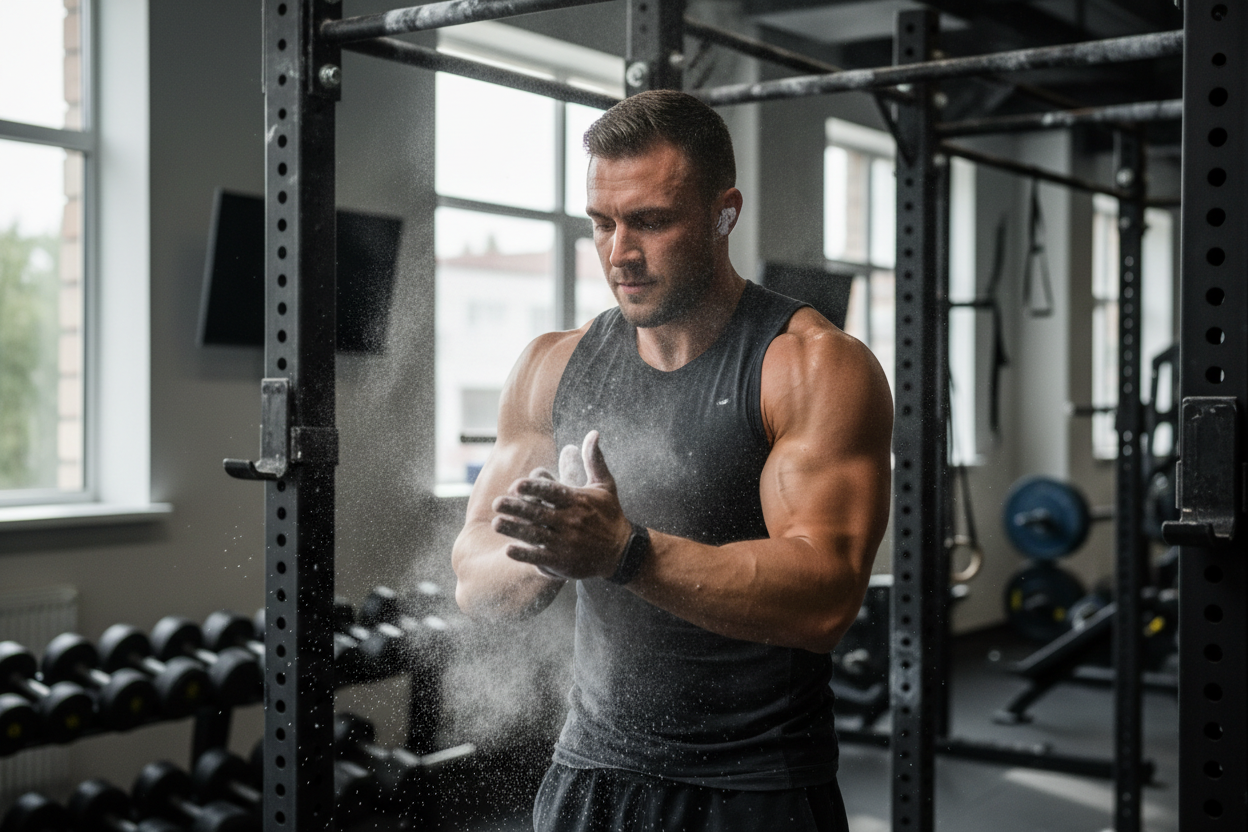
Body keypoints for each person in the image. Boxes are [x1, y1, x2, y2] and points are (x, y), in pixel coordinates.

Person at [451, 90, 893, 832]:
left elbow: (825, 598)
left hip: (753, 789)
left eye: (650, 221)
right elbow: (475, 577)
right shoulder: (552, 368)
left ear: (724, 212)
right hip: (589, 777)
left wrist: (623, 553)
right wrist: (552, 555)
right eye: (602, 224)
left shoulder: (808, 366)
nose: (620, 252)